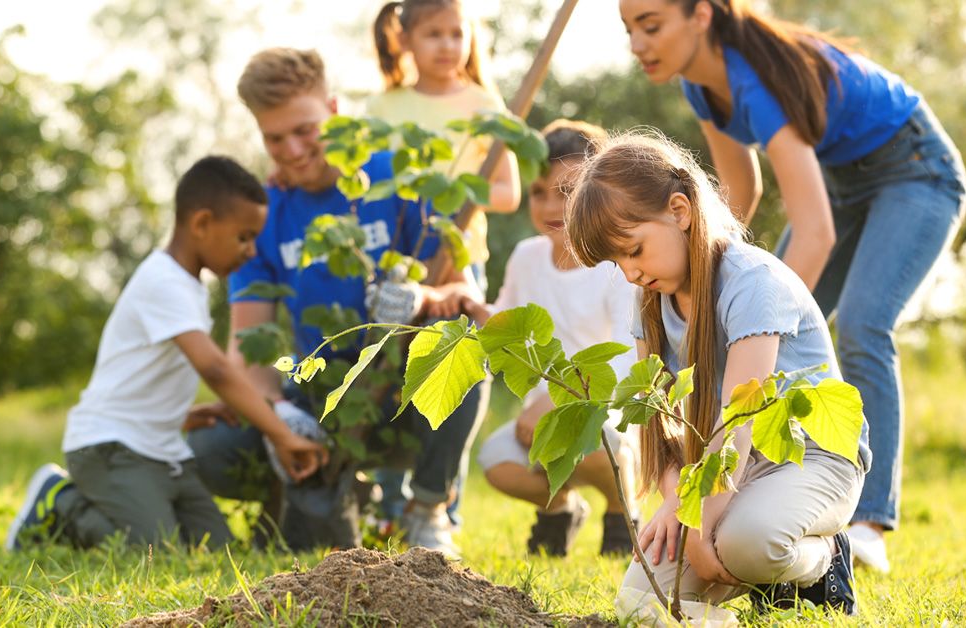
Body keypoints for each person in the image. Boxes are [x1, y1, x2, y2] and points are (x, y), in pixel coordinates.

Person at [617, 0, 966, 573]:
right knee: (761, 337)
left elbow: (814, 234)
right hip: (843, 183)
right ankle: (765, 487)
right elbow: (735, 193)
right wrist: (716, 289)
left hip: (914, 167)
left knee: (860, 322)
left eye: (651, 25)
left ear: (701, 14)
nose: (637, 44)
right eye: (629, 28)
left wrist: (747, 316)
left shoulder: (755, 80)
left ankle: (867, 524)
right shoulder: (700, 86)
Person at [185, 47, 485, 558]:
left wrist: (422, 295)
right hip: (319, 396)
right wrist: (278, 417)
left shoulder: (400, 178)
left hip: (400, 396)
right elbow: (248, 345)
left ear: (334, 110)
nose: (292, 150)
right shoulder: (264, 214)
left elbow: (464, 296)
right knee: (212, 449)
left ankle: (427, 508)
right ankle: (317, 494)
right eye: (274, 138)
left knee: (460, 345)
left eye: (305, 130)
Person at [566, 130, 872, 614]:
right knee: (639, 604)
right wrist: (677, 506)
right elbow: (659, 428)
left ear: (679, 211)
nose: (629, 273)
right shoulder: (648, 303)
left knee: (744, 544)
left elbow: (738, 420)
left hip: (811, 456)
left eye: (634, 250)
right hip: (723, 470)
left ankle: (824, 559)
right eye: (616, 261)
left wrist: (698, 524)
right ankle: (750, 588)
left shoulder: (752, 282)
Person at [5, 156, 328, 551]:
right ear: (202, 223)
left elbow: (150, 372)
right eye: (244, 237)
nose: (250, 251)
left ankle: (132, 508)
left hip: (161, 450)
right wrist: (280, 434)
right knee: (155, 550)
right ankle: (60, 502)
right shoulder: (163, 282)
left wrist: (183, 415)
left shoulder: (188, 286)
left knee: (215, 550)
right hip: (109, 448)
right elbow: (215, 368)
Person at [447, 120, 642, 556]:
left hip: (605, 411)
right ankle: (561, 509)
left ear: (598, 192)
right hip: (540, 416)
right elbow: (504, 321)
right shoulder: (527, 256)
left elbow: (626, 358)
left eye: (568, 191)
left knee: (598, 440)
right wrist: (470, 302)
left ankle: (622, 512)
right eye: (539, 193)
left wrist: (559, 400)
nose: (552, 205)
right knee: (496, 462)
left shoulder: (616, 265)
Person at [367, 0, 519, 528]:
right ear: (405, 39)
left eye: (457, 33)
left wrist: (450, 193)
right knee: (390, 376)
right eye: (434, 34)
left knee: (455, 372)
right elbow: (364, 186)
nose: (448, 45)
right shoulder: (384, 107)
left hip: (460, 264)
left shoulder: (483, 104)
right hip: (396, 263)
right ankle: (387, 501)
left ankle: (438, 509)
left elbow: (507, 193)